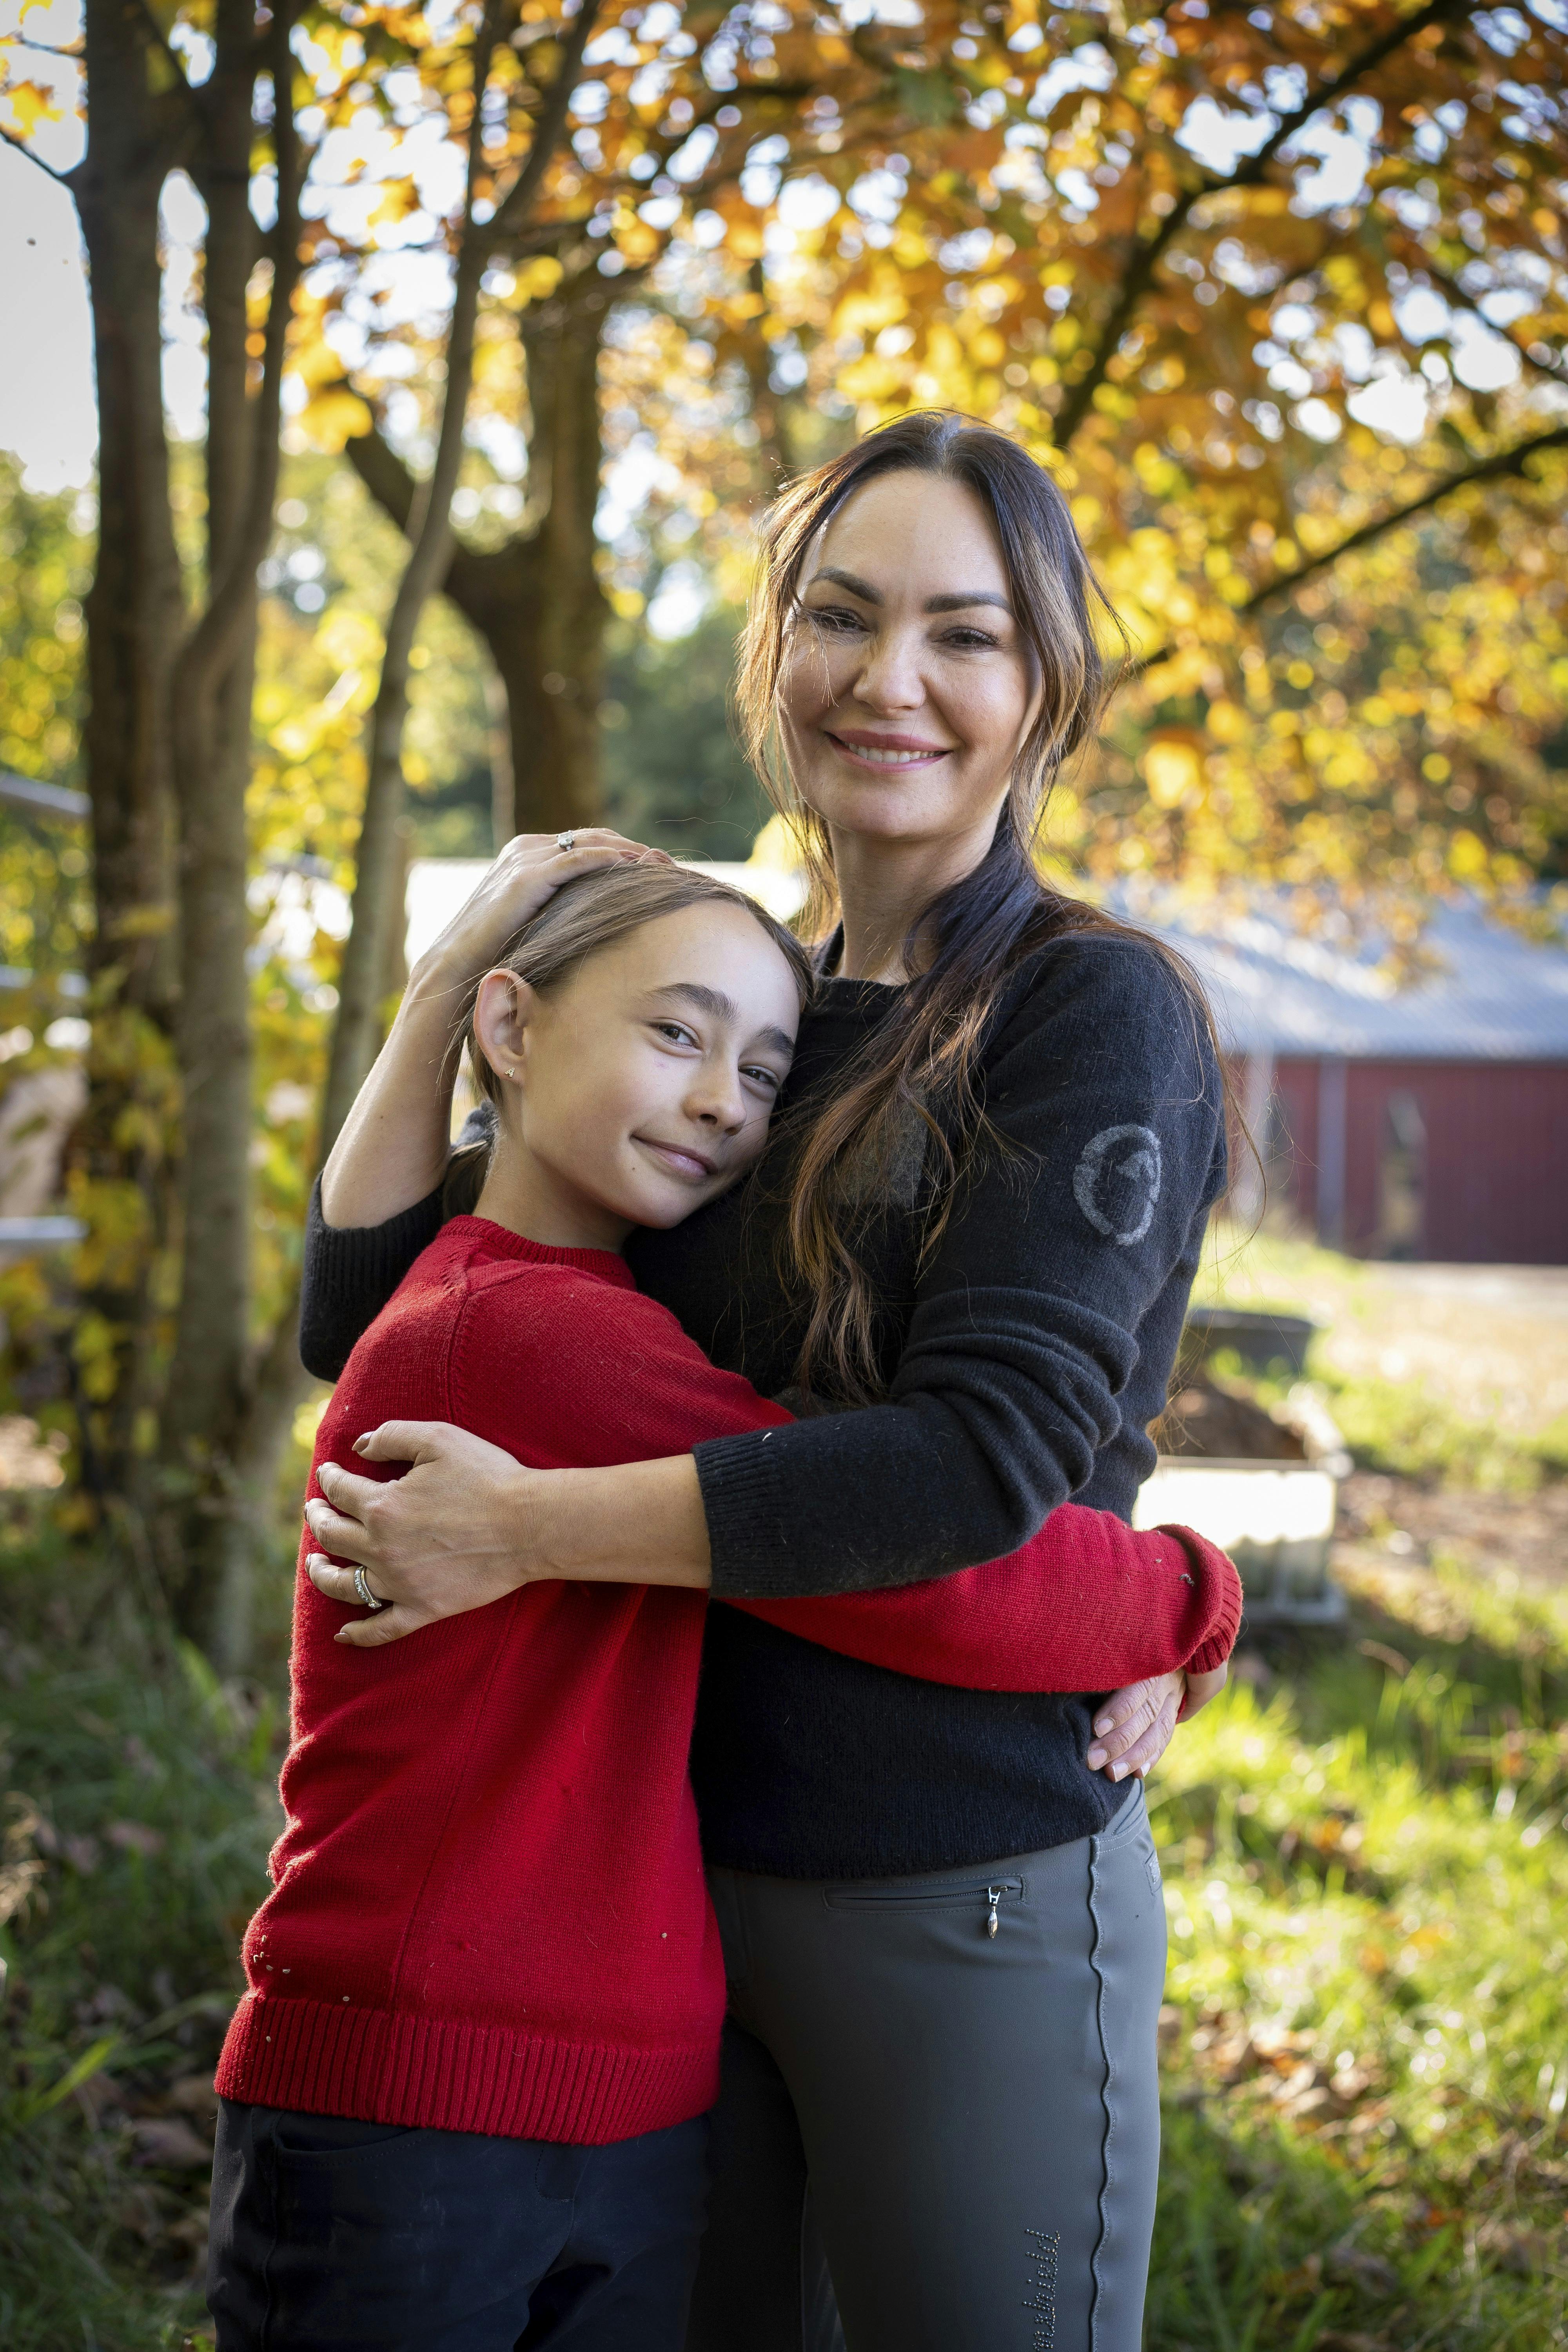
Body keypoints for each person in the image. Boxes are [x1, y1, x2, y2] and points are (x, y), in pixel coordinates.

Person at [289, 413, 1236, 2352]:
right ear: (773, 654)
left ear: (1044, 685)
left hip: (952, 1883)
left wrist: (529, 1531)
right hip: (677, 1892)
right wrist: (456, 977)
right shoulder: (752, 1006)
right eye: (841, 616)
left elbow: (968, 1468)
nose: (890, 681)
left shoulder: (1085, 1007)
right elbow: (385, 1304)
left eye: (964, 636)